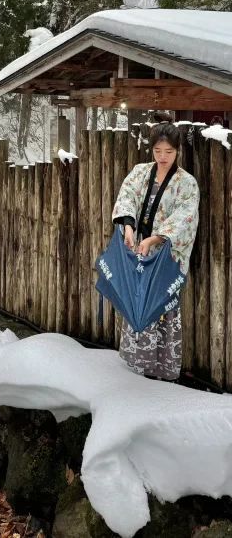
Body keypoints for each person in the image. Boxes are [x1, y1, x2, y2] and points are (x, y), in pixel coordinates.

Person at [112, 117, 199, 380]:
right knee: (136, 303)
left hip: (165, 258)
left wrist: (156, 239)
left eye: (169, 152)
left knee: (162, 308)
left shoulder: (187, 183)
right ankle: (135, 362)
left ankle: (161, 368)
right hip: (139, 252)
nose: (163, 157)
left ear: (178, 151)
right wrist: (128, 226)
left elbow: (185, 218)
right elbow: (127, 196)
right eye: (158, 151)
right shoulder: (140, 172)